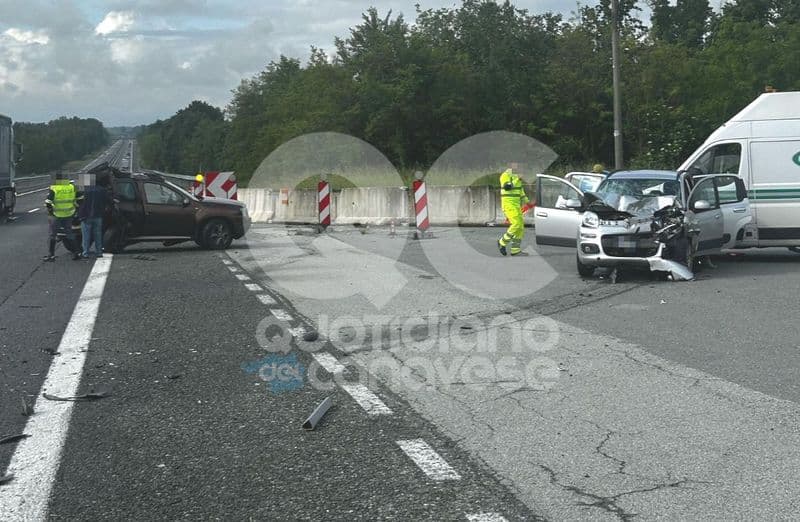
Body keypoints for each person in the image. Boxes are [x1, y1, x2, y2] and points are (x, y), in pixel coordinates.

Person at [44, 173, 81, 261]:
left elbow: (48, 202)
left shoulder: (54, 188)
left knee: (52, 235)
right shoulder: (72, 187)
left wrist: (51, 211)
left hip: (57, 215)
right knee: (69, 234)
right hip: (69, 214)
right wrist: (76, 209)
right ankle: (77, 253)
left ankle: (51, 255)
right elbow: (80, 198)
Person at [497, 168, 530, 256]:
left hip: (516, 205)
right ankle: (502, 242)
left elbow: (520, 191)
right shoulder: (505, 175)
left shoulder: (517, 178)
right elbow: (507, 187)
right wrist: (517, 178)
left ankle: (515, 250)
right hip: (508, 205)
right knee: (516, 224)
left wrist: (527, 201)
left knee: (520, 228)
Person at [78, 175, 109, 258]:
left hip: (86, 216)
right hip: (98, 216)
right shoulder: (102, 190)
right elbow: (107, 201)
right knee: (98, 235)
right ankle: (99, 252)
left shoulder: (83, 190)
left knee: (86, 236)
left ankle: (85, 253)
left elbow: (78, 201)